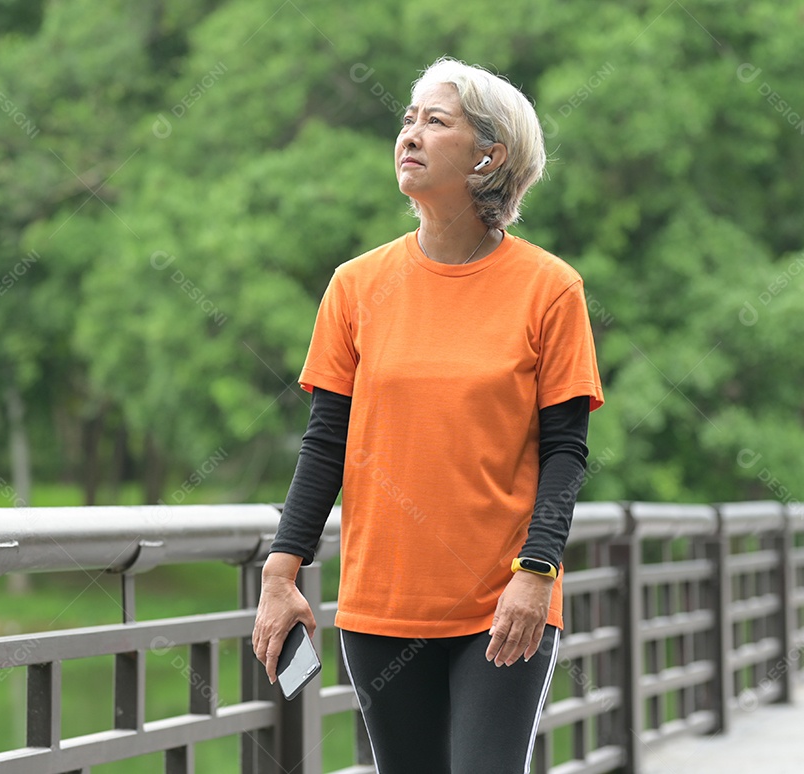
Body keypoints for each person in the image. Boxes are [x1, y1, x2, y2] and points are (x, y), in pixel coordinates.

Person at [251, 56, 605, 773]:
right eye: (407, 118)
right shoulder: (356, 287)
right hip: (383, 605)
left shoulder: (549, 289)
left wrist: (537, 571)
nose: (409, 133)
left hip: (501, 601)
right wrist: (280, 576)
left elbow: (565, 450)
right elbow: (326, 445)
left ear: (489, 155)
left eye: (434, 121)